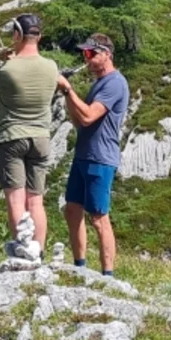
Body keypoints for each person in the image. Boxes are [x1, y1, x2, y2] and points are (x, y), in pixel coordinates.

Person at [0, 13, 59, 257]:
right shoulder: (52, 67)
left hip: (12, 136)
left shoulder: (4, 68)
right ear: (39, 36)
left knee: (16, 199)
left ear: (18, 34)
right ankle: (39, 252)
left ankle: (22, 248)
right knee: (36, 200)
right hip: (41, 138)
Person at [57, 33, 129, 277]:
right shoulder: (99, 83)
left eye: (91, 53)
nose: (86, 58)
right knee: (72, 210)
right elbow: (79, 122)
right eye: (84, 53)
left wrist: (68, 89)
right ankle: (80, 267)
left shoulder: (114, 83)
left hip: (100, 157)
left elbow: (88, 116)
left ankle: (108, 275)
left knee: (99, 217)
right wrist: (67, 93)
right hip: (84, 154)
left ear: (106, 55)